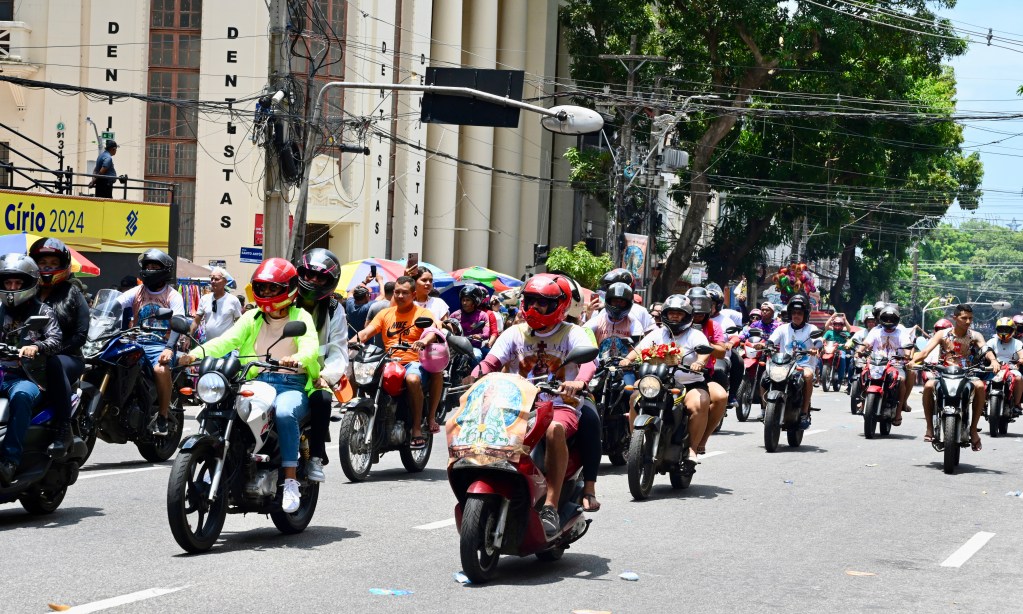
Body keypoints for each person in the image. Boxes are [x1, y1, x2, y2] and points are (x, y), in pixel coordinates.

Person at [179, 258, 320, 512]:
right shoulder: (251, 317)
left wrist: (296, 358)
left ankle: (290, 480)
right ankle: (221, 465)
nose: (266, 292)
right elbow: (226, 341)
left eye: (273, 287)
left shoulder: (302, 317)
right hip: (255, 380)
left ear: (288, 288)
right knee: (221, 407)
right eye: (262, 287)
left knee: (284, 413)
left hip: (290, 383)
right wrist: (194, 354)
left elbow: (310, 348)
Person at [467, 274, 598, 535]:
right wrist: (476, 374)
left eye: (543, 303)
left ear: (559, 305)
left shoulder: (571, 332)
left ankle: (550, 505)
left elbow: (588, 363)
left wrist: (579, 382)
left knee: (554, 430)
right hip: (516, 404)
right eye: (530, 301)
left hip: (560, 405)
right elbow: (492, 361)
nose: (534, 307)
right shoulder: (514, 333)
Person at [620, 295, 710, 470]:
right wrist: (627, 360)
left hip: (689, 383)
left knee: (700, 403)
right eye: (671, 313)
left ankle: (692, 449)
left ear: (687, 316)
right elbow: (639, 350)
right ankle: (635, 444)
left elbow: (704, 353)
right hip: (658, 381)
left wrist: (699, 362)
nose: (675, 316)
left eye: (679, 313)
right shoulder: (657, 333)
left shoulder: (695, 335)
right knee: (634, 397)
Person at [351, 276, 441, 446]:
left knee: (412, 379)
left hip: (412, 362)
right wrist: (350, 343)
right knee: (356, 373)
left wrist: (423, 341)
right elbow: (366, 332)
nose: (400, 296)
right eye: (397, 292)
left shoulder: (423, 314)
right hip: (389, 361)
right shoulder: (385, 314)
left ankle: (416, 427)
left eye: (404, 293)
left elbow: (431, 332)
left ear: (413, 295)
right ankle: (359, 415)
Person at [0, 254, 63, 486]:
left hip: (27, 377)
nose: (12, 288)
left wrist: (36, 347)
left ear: (28, 284)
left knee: (21, 397)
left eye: (17, 283)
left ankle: (9, 460)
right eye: (8, 283)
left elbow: (56, 340)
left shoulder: (43, 311)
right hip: (1, 372)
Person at [29, 238, 90, 458]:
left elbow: (80, 335)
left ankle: (63, 428)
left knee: (53, 363)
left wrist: (50, 351)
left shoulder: (73, 293)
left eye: (53, 263)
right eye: (42, 262)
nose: (47, 267)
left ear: (63, 265)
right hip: (28, 356)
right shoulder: (26, 291)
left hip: (67, 356)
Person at [295, 248, 349, 483]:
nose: (313, 280)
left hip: (313, 375)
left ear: (331, 282)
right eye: (309, 274)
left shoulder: (335, 309)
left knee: (323, 400)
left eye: (321, 277)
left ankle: (316, 456)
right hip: (275, 369)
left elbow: (338, 349)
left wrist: (326, 376)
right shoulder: (285, 298)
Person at [117, 249, 184, 437]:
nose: (150, 270)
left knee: (160, 370)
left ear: (165, 270)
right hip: (134, 342)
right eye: (147, 266)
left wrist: (169, 348)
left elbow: (178, 322)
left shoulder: (173, 295)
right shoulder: (136, 291)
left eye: (154, 266)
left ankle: (162, 417)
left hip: (159, 345)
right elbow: (116, 304)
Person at [911, 303, 996, 451]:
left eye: (970, 318)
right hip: (943, 372)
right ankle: (929, 427)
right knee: (928, 386)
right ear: (955, 318)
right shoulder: (942, 334)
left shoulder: (975, 335)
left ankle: (973, 430)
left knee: (980, 386)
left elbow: (985, 349)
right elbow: (924, 352)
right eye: (964, 318)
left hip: (967, 374)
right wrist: (913, 361)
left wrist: (993, 360)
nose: (968, 321)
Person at [765, 295, 819, 429]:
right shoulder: (782, 328)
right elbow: (772, 340)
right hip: (784, 364)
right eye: (794, 313)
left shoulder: (811, 329)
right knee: (765, 375)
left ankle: (804, 413)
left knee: (808, 376)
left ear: (805, 315)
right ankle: (764, 408)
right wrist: (768, 345)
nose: (796, 316)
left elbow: (818, 341)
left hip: (804, 365)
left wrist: (815, 348)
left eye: (799, 313)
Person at [856, 305, 915, 426]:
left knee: (901, 380)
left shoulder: (901, 333)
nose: (888, 321)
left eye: (891, 319)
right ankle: (863, 401)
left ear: (896, 320)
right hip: (876, 363)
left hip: (895, 364)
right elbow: (867, 343)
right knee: (862, 375)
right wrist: (859, 351)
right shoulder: (875, 331)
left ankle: (898, 412)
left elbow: (907, 346)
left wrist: (907, 355)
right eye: (886, 318)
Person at [686, 286, 729, 443]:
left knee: (721, 397)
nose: (697, 317)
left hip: (702, 375)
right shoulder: (677, 324)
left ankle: (702, 439)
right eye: (694, 313)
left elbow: (721, 352)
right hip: (674, 373)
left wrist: (704, 344)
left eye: (701, 314)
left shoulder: (713, 326)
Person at [410, 268, 448, 430]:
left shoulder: (438, 303)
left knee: (436, 372)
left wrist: (440, 325)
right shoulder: (407, 302)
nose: (428, 283)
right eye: (424, 280)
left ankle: (431, 417)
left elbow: (445, 325)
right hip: (405, 348)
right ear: (414, 282)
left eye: (430, 281)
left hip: (432, 350)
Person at [584, 282, 643, 385]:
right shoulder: (598, 320)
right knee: (586, 389)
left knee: (629, 390)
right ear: (608, 301)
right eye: (615, 301)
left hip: (624, 368)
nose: (618, 305)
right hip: (600, 367)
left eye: (622, 302)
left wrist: (628, 360)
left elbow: (639, 346)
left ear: (628, 304)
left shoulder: (633, 323)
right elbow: (583, 332)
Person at [706, 283, 744, 408]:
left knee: (735, 363)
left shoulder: (726, 321)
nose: (706, 306)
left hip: (719, 356)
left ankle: (729, 396)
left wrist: (730, 343)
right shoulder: (694, 318)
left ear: (718, 305)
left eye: (710, 304)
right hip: (696, 355)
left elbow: (735, 337)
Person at [589, 268, 655, 333]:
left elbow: (649, 333)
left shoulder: (640, 311)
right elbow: (588, 331)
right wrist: (588, 314)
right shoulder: (602, 311)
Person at [983, 317, 1023, 415]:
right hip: (993, 368)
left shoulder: (1017, 343)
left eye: (1006, 329)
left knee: (1018, 378)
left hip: (1011, 368)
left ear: (1013, 330)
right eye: (1001, 329)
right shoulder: (992, 341)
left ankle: (1017, 404)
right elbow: (987, 352)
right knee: (981, 381)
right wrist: (993, 361)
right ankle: (983, 403)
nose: (1004, 332)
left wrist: (1020, 360)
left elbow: (1021, 354)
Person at [191, 267, 242, 342]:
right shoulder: (204, 299)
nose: (213, 281)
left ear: (225, 282)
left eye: (216, 279)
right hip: (209, 344)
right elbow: (196, 322)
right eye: (212, 279)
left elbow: (239, 323)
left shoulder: (233, 301)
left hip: (226, 345)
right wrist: (188, 337)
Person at [450, 284, 491, 366]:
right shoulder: (455, 315)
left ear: (475, 301)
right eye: (463, 300)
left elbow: (486, 333)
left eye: (468, 300)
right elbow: (447, 329)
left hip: (473, 348)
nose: (464, 303)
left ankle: (473, 374)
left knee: (477, 357)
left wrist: (479, 336)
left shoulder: (483, 315)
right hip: (456, 347)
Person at [822, 313, 852, 390]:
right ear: (833, 325)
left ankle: (840, 378)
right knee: (819, 358)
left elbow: (849, 339)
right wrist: (822, 342)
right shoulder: (829, 332)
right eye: (836, 324)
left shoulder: (845, 333)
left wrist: (847, 344)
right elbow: (823, 338)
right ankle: (821, 375)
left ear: (842, 325)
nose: (837, 326)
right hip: (829, 350)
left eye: (840, 325)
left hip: (840, 351)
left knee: (843, 358)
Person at [365, 281, 394, 347]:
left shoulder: (374, 306)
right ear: (394, 291)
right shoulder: (397, 306)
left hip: (378, 345)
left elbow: (366, 326)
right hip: (393, 345)